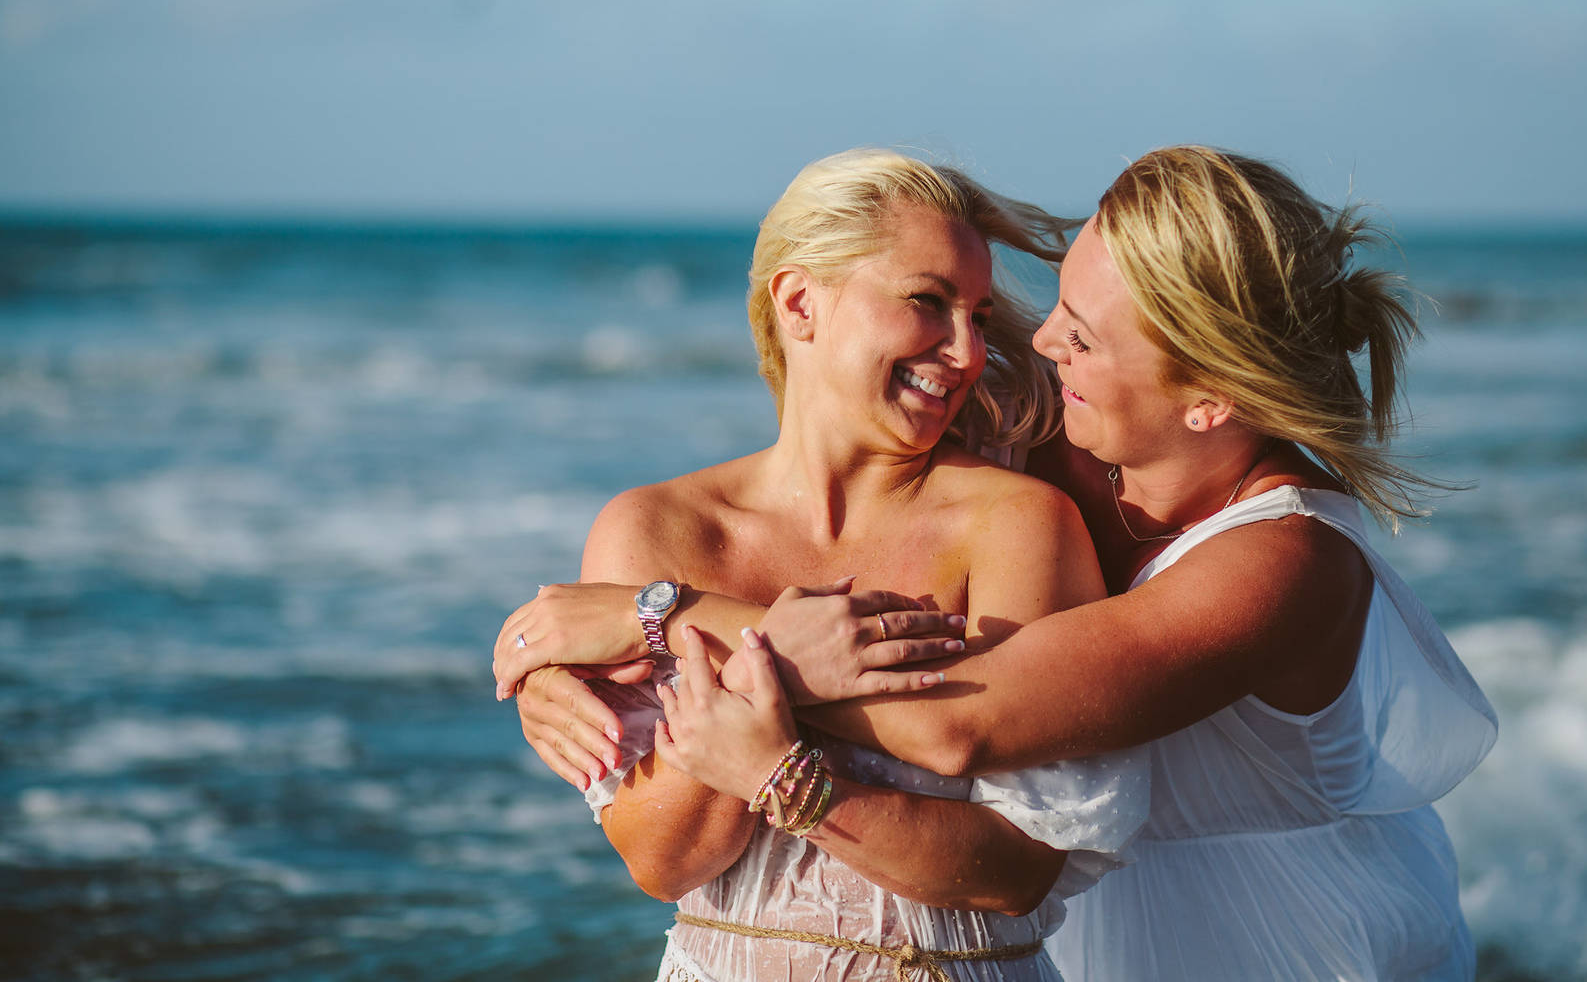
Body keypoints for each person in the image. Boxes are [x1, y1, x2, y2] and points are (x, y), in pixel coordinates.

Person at [497, 145, 1497, 981]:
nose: (1030, 345)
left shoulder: (1284, 564)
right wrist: (551, 667)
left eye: (1085, 335)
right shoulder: (1070, 437)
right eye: (1057, 300)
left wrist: (658, 618)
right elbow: (869, 370)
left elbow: (959, 722)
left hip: (1289, 949)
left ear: (1208, 399)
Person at [497, 148, 1147, 982]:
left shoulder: (1016, 525)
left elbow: (1017, 869)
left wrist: (779, 758)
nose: (965, 352)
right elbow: (664, 861)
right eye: (927, 302)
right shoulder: (657, 532)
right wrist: (783, 674)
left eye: (979, 317)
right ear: (801, 304)